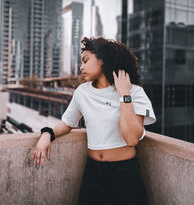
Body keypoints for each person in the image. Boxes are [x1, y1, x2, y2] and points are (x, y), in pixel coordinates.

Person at [32, 36, 156, 205]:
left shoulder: (134, 92)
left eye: (85, 60)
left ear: (103, 60)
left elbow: (132, 138)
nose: (81, 67)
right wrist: (47, 134)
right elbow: (67, 124)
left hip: (124, 175)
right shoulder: (82, 92)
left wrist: (124, 95)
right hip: (92, 172)